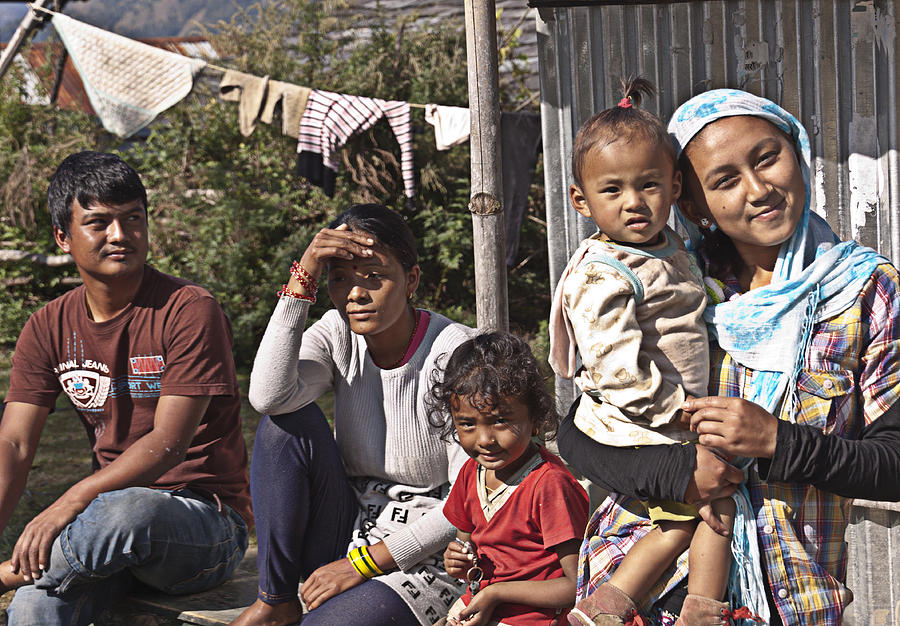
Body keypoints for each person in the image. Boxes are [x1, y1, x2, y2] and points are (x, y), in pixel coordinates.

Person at [557, 88, 900, 625]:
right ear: (691, 203)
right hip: (635, 590)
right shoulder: (670, 282)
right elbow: (577, 436)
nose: (759, 189)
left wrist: (778, 443)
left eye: (767, 158)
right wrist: (679, 473)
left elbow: (894, 465)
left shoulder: (864, 291)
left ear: (797, 150)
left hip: (790, 601)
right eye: (725, 180)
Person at [0, 151, 252, 625]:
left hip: (201, 525)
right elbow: (13, 444)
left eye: (132, 219)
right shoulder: (47, 326)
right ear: (63, 237)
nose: (120, 235)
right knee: (36, 607)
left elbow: (167, 444)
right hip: (100, 531)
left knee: (128, 510)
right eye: (98, 223)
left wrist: (70, 503)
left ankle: (11, 572)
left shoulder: (189, 309)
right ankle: (32, 575)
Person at [230, 203, 476, 626]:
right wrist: (301, 275)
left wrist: (363, 566)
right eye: (339, 279)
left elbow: (467, 504)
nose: (355, 295)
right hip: (346, 528)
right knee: (283, 425)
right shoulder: (336, 332)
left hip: (430, 554)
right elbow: (268, 396)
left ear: (411, 279)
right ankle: (276, 600)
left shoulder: (458, 354)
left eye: (374, 278)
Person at [548, 77, 737, 626]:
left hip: (671, 413)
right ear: (582, 201)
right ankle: (632, 602)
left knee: (700, 510)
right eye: (613, 191)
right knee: (698, 511)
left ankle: (662, 603)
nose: (634, 202)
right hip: (642, 418)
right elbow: (619, 370)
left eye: (649, 185)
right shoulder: (602, 273)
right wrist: (676, 410)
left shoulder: (668, 245)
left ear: (675, 187)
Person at [429, 332, 588, 626]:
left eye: (501, 420)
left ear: (536, 419)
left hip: (533, 618)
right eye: (467, 424)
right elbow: (468, 550)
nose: (486, 439)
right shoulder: (470, 473)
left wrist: (497, 593)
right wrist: (459, 561)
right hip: (483, 603)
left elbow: (575, 585)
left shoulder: (550, 485)